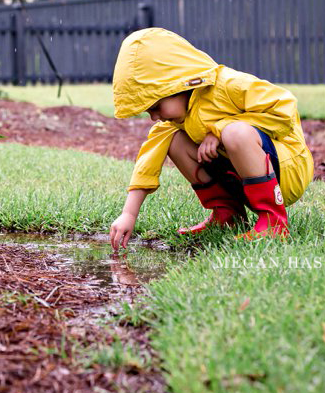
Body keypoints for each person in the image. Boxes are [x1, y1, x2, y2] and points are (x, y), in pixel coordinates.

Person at [109, 28, 314, 251]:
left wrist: (219, 129)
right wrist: (128, 214)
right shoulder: (173, 120)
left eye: (155, 107)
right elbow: (147, 162)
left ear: (178, 83)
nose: (154, 117)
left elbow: (284, 107)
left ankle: (274, 222)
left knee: (235, 133)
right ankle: (229, 216)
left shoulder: (228, 85)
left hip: (286, 171)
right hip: (242, 176)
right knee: (174, 141)